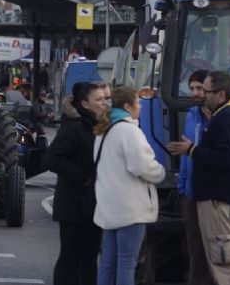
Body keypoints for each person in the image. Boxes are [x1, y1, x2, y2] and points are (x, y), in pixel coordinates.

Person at [168, 71, 230, 285]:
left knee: (225, 260)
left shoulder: (228, 118)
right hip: (215, 200)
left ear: (221, 94)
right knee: (217, 257)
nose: (201, 95)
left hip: (220, 203)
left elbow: (228, 158)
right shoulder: (224, 117)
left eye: (206, 91)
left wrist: (192, 150)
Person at [94, 86, 166, 285]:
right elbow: (141, 165)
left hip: (108, 207)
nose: (140, 106)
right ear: (127, 106)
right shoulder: (129, 130)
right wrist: (161, 173)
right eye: (138, 102)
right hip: (129, 208)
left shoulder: (103, 131)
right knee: (127, 262)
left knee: (108, 263)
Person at [45, 81, 108, 285]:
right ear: (85, 104)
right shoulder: (73, 127)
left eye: (105, 99)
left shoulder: (99, 126)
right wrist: (83, 177)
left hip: (93, 204)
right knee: (70, 257)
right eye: (98, 100)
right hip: (73, 204)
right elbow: (53, 158)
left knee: (89, 258)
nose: (104, 103)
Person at [173, 70, 214, 285]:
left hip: (211, 195)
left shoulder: (220, 119)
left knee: (213, 250)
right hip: (190, 193)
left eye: (199, 88)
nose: (195, 93)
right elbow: (185, 159)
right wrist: (181, 188)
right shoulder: (191, 115)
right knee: (195, 250)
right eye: (192, 88)